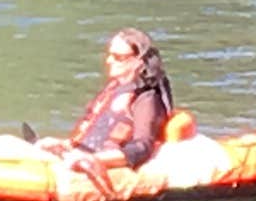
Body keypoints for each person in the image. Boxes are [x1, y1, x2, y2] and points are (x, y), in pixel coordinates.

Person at [57, 27, 176, 170]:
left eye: (118, 57)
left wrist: (94, 159)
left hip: (103, 164)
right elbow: (93, 132)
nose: (109, 61)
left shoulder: (146, 99)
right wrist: (64, 145)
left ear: (138, 62)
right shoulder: (112, 89)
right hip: (79, 156)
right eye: (109, 55)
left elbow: (142, 147)